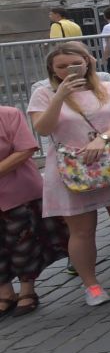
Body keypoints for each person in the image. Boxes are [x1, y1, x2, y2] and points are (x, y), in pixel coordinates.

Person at [29, 45, 110, 306]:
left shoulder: (107, 87)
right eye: (62, 66)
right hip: (70, 168)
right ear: (51, 70)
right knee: (81, 230)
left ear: (87, 63)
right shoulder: (43, 93)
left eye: (75, 64)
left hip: (109, 159)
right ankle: (91, 285)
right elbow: (43, 129)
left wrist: (103, 138)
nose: (69, 70)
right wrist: (59, 96)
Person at [0, 102, 58, 316]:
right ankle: (5, 293)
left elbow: (25, 149)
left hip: (17, 190)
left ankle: (27, 291)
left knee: (23, 242)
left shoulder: (8, 114)